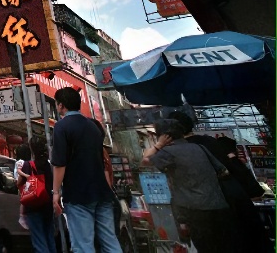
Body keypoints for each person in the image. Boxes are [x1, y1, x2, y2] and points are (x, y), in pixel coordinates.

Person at [168, 112, 268, 251]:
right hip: (237, 198)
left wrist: (183, 220)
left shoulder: (178, 152)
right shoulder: (210, 141)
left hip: (211, 210)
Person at [142, 118, 231, 253]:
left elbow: (145, 161)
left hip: (194, 209)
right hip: (218, 205)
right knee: (221, 245)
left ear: (163, 136)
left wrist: (158, 145)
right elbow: (224, 172)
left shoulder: (168, 152)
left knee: (204, 246)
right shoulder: (199, 148)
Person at [50, 87, 121, 253]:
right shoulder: (93, 127)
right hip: (102, 193)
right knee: (110, 242)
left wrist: (55, 193)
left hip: (78, 195)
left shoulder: (61, 127)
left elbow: (60, 164)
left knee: (83, 245)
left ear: (60, 105)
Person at [23, 136, 56, 253]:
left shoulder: (28, 165)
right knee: (49, 237)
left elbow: (22, 186)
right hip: (47, 203)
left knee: (39, 240)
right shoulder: (48, 165)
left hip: (33, 205)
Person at [13, 143, 32, 230]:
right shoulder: (25, 162)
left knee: (23, 200)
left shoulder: (19, 162)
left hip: (22, 185)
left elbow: (19, 174)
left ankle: (23, 216)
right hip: (25, 185)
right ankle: (23, 216)